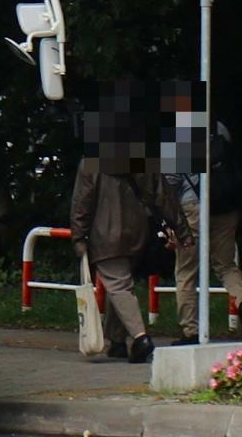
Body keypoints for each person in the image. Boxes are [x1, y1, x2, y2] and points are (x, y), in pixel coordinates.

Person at [71, 152, 188, 364]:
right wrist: (182, 229)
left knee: (118, 286)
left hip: (104, 233)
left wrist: (78, 236)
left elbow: (82, 201)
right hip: (137, 232)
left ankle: (140, 338)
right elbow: (162, 194)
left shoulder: (91, 160)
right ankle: (116, 342)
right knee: (121, 283)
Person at [174, 121, 242, 344]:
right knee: (226, 265)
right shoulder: (218, 127)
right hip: (225, 206)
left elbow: (171, 180)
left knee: (186, 271)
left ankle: (190, 331)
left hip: (193, 207)